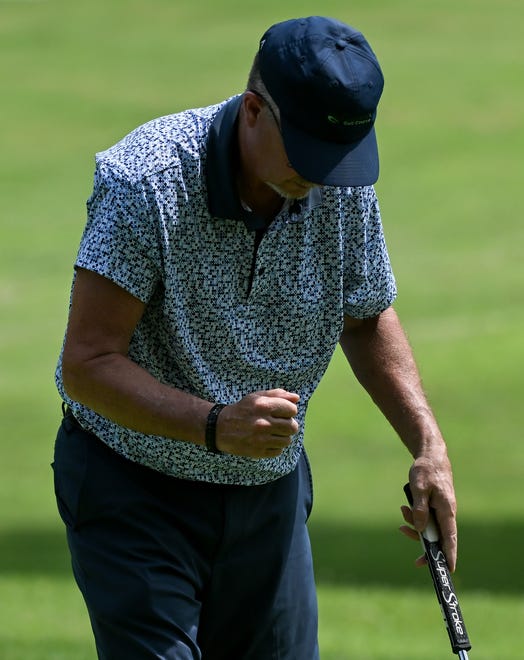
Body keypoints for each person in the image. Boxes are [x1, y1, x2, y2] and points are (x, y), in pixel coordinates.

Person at [53, 15, 458, 660]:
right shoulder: (147, 180)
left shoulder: (340, 185)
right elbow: (87, 362)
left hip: (266, 496)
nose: (323, 177)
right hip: (134, 491)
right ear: (252, 111)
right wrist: (216, 425)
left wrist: (428, 444)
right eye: (307, 151)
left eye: (339, 158)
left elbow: (367, 313)